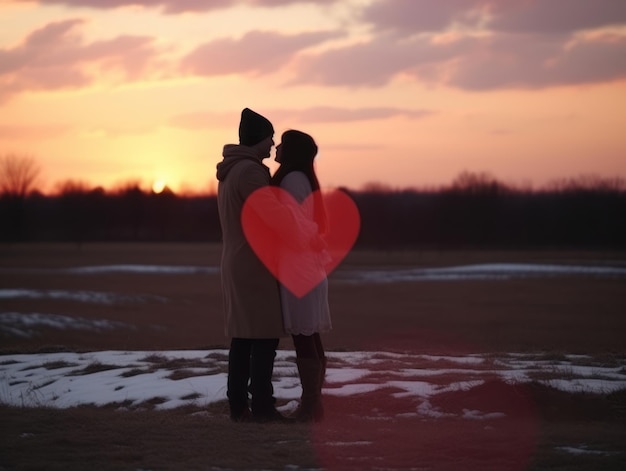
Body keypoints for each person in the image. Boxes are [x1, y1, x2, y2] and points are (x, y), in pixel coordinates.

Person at [216, 108, 294, 423]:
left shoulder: (231, 169)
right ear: (259, 139)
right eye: (270, 136)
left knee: (244, 337)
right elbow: (272, 216)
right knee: (263, 337)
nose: (272, 142)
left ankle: (238, 405)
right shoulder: (250, 171)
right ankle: (262, 404)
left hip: (237, 259)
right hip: (254, 263)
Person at [271, 130, 331, 422]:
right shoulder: (302, 179)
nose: (277, 147)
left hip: (299, 267)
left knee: (304, 335)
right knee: (309, 334)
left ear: (292, 151)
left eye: (282, 143)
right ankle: (314, 402)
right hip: (306, 265)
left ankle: (311, 406)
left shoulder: (293, 180)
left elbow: (292, 226)